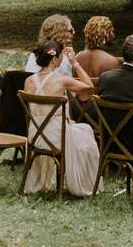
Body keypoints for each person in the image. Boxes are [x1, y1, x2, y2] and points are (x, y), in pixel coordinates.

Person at [23, 44, 100, 196]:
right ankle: (85, 182)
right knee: (86, 130)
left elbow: (39, 111)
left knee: (78, 129)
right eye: (60, 57)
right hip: (56, 137)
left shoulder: (29, 81)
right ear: (54, 59)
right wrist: (75, 63)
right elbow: (89, 87)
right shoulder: (62, 80)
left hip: (35, 135)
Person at [23, 14, 91, 91]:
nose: (74, 33)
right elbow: (88, 87)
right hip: (58, 98)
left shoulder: (34, 54)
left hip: (34, 97)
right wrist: (75, 63)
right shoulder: (63, 58)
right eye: (71, 30)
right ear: (62, 33)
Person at [73, 16, 121, 84]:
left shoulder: (77, 57)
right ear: (106, 34)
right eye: (112, 31)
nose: (113, 35)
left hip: (81, 94)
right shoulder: (111, 61)